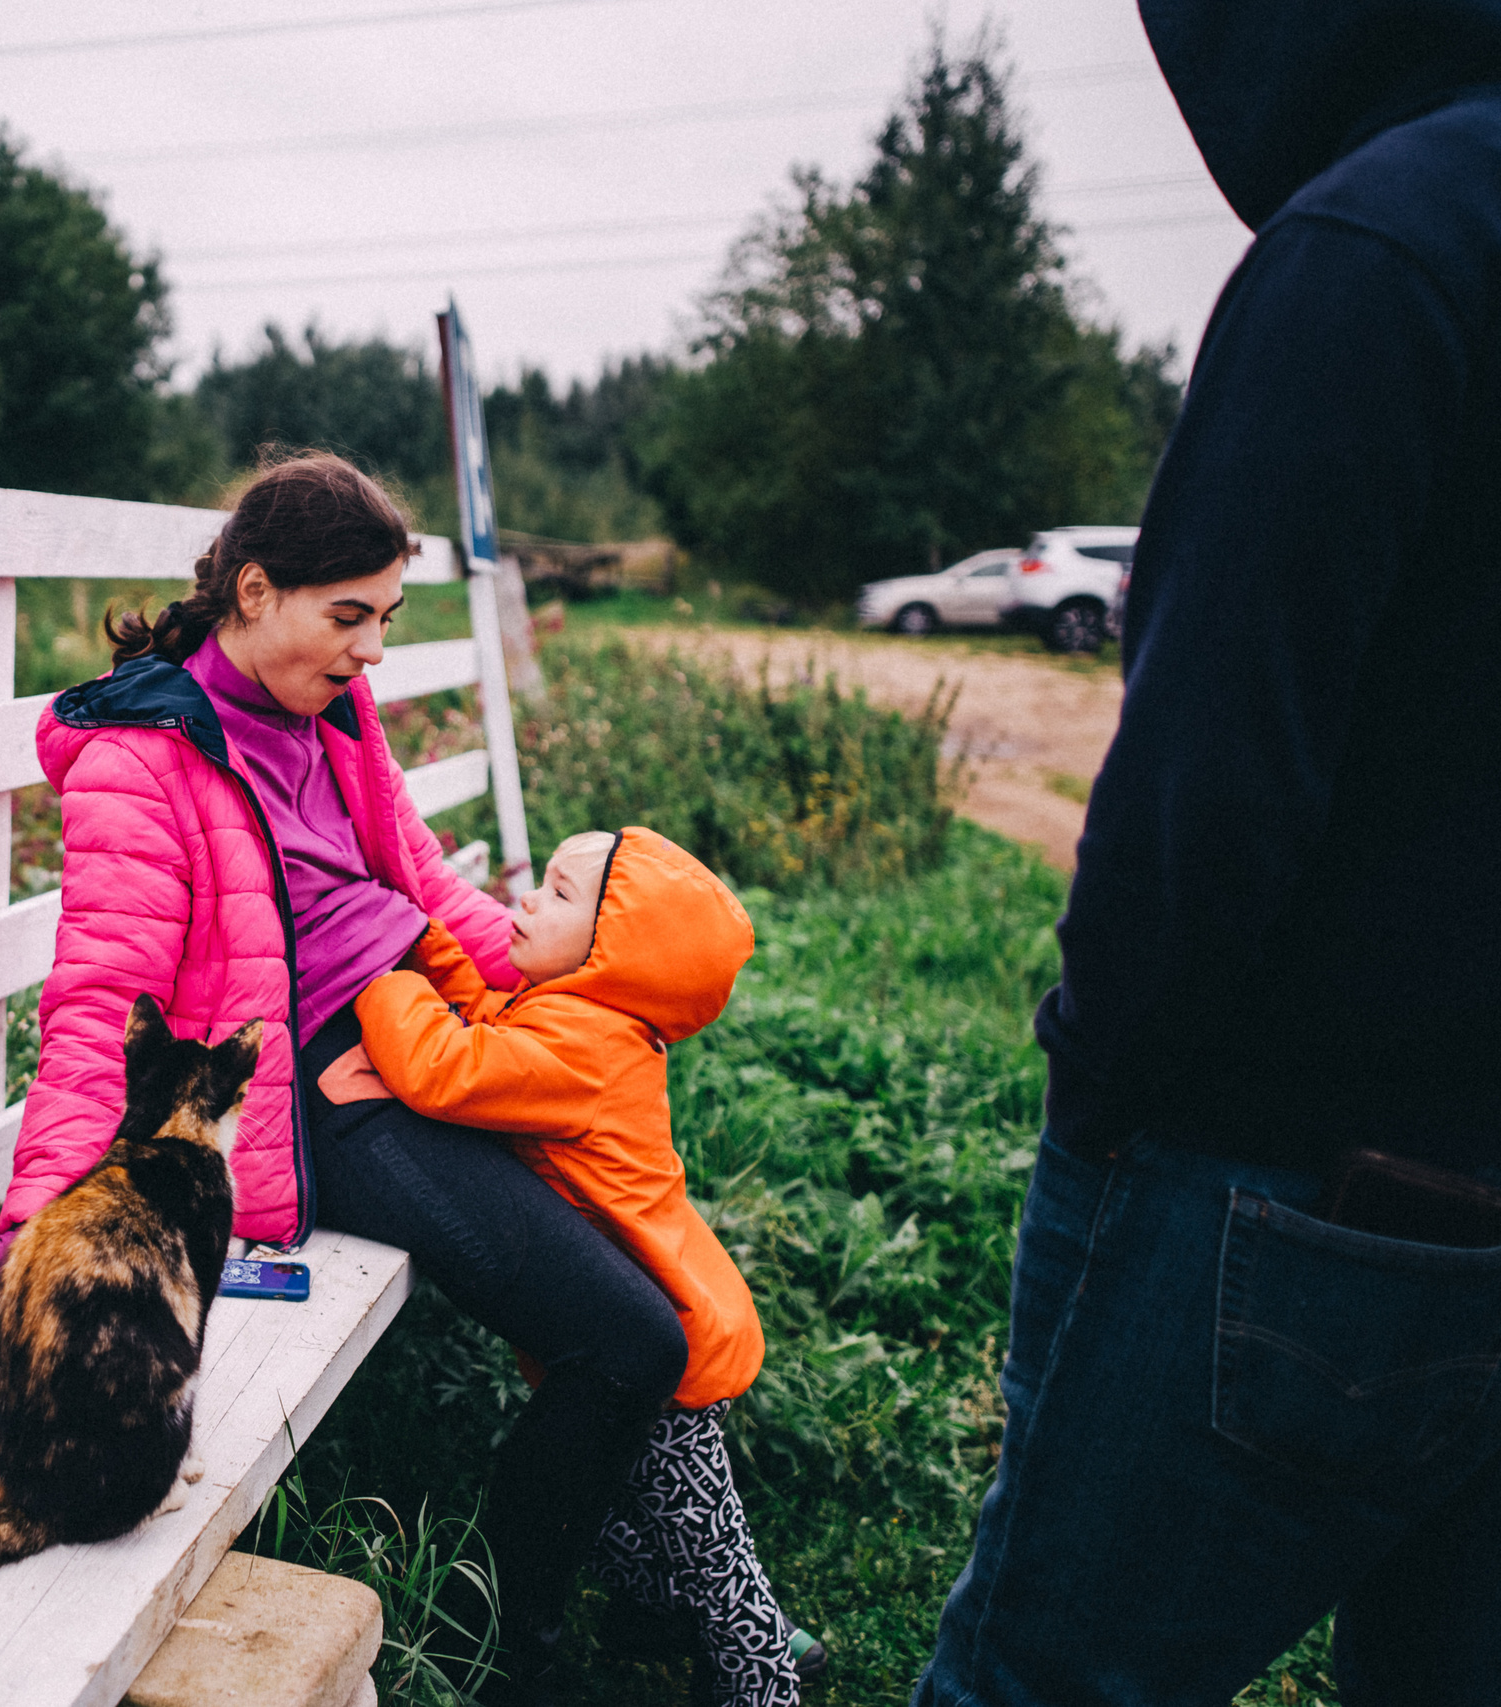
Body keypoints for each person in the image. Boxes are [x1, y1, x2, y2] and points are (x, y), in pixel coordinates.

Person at [915, 4, 1501, 1703]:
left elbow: (1208, 784)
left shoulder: (1378, 248)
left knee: (1045, 1677)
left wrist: (1105, 1086)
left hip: (1290, 1187)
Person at [0, 452, 693, 1698]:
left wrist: (580, 990)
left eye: (384, 619)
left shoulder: (332, 711)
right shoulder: (143, 757)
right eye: (348, 616)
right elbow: (89, 1011)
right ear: (252, 590)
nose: (371, 651)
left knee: (661, 1283)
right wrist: (30, 1229)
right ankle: (527, 1658)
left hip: (428, 1049)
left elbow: (422, 878)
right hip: (328, 1107)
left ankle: (675, 1595)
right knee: (629, 1339)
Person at [351, 827, 826, 1704]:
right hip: (659, 1322)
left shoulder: (586, 1046)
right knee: (614, 1513)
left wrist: (385, 979)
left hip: (675, 1345)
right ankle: (654, 1615)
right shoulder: (583, 1016)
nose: (526, 900)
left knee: (714, 1553)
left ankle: (765, 1673)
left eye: (560, 895)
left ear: (615, 947)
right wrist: (436, 947)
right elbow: (496, 1023)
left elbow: (448, 1068)